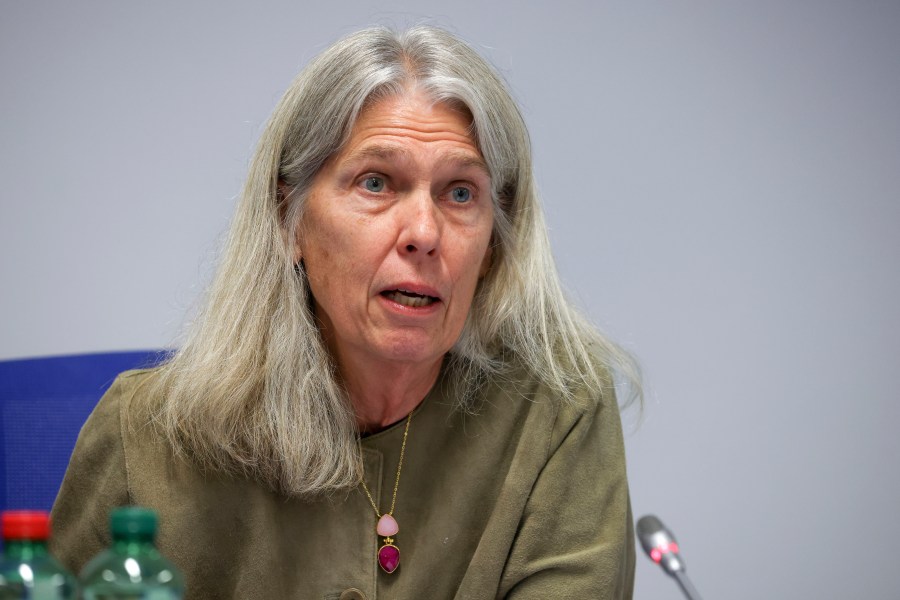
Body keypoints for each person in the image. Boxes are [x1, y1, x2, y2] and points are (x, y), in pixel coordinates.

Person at [50, 25, 640, 599]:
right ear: (289, 220)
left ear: (494, 244)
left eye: (461, 192)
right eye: (377, 182)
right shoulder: (146, 437)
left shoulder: (557, 411)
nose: (424, 233)